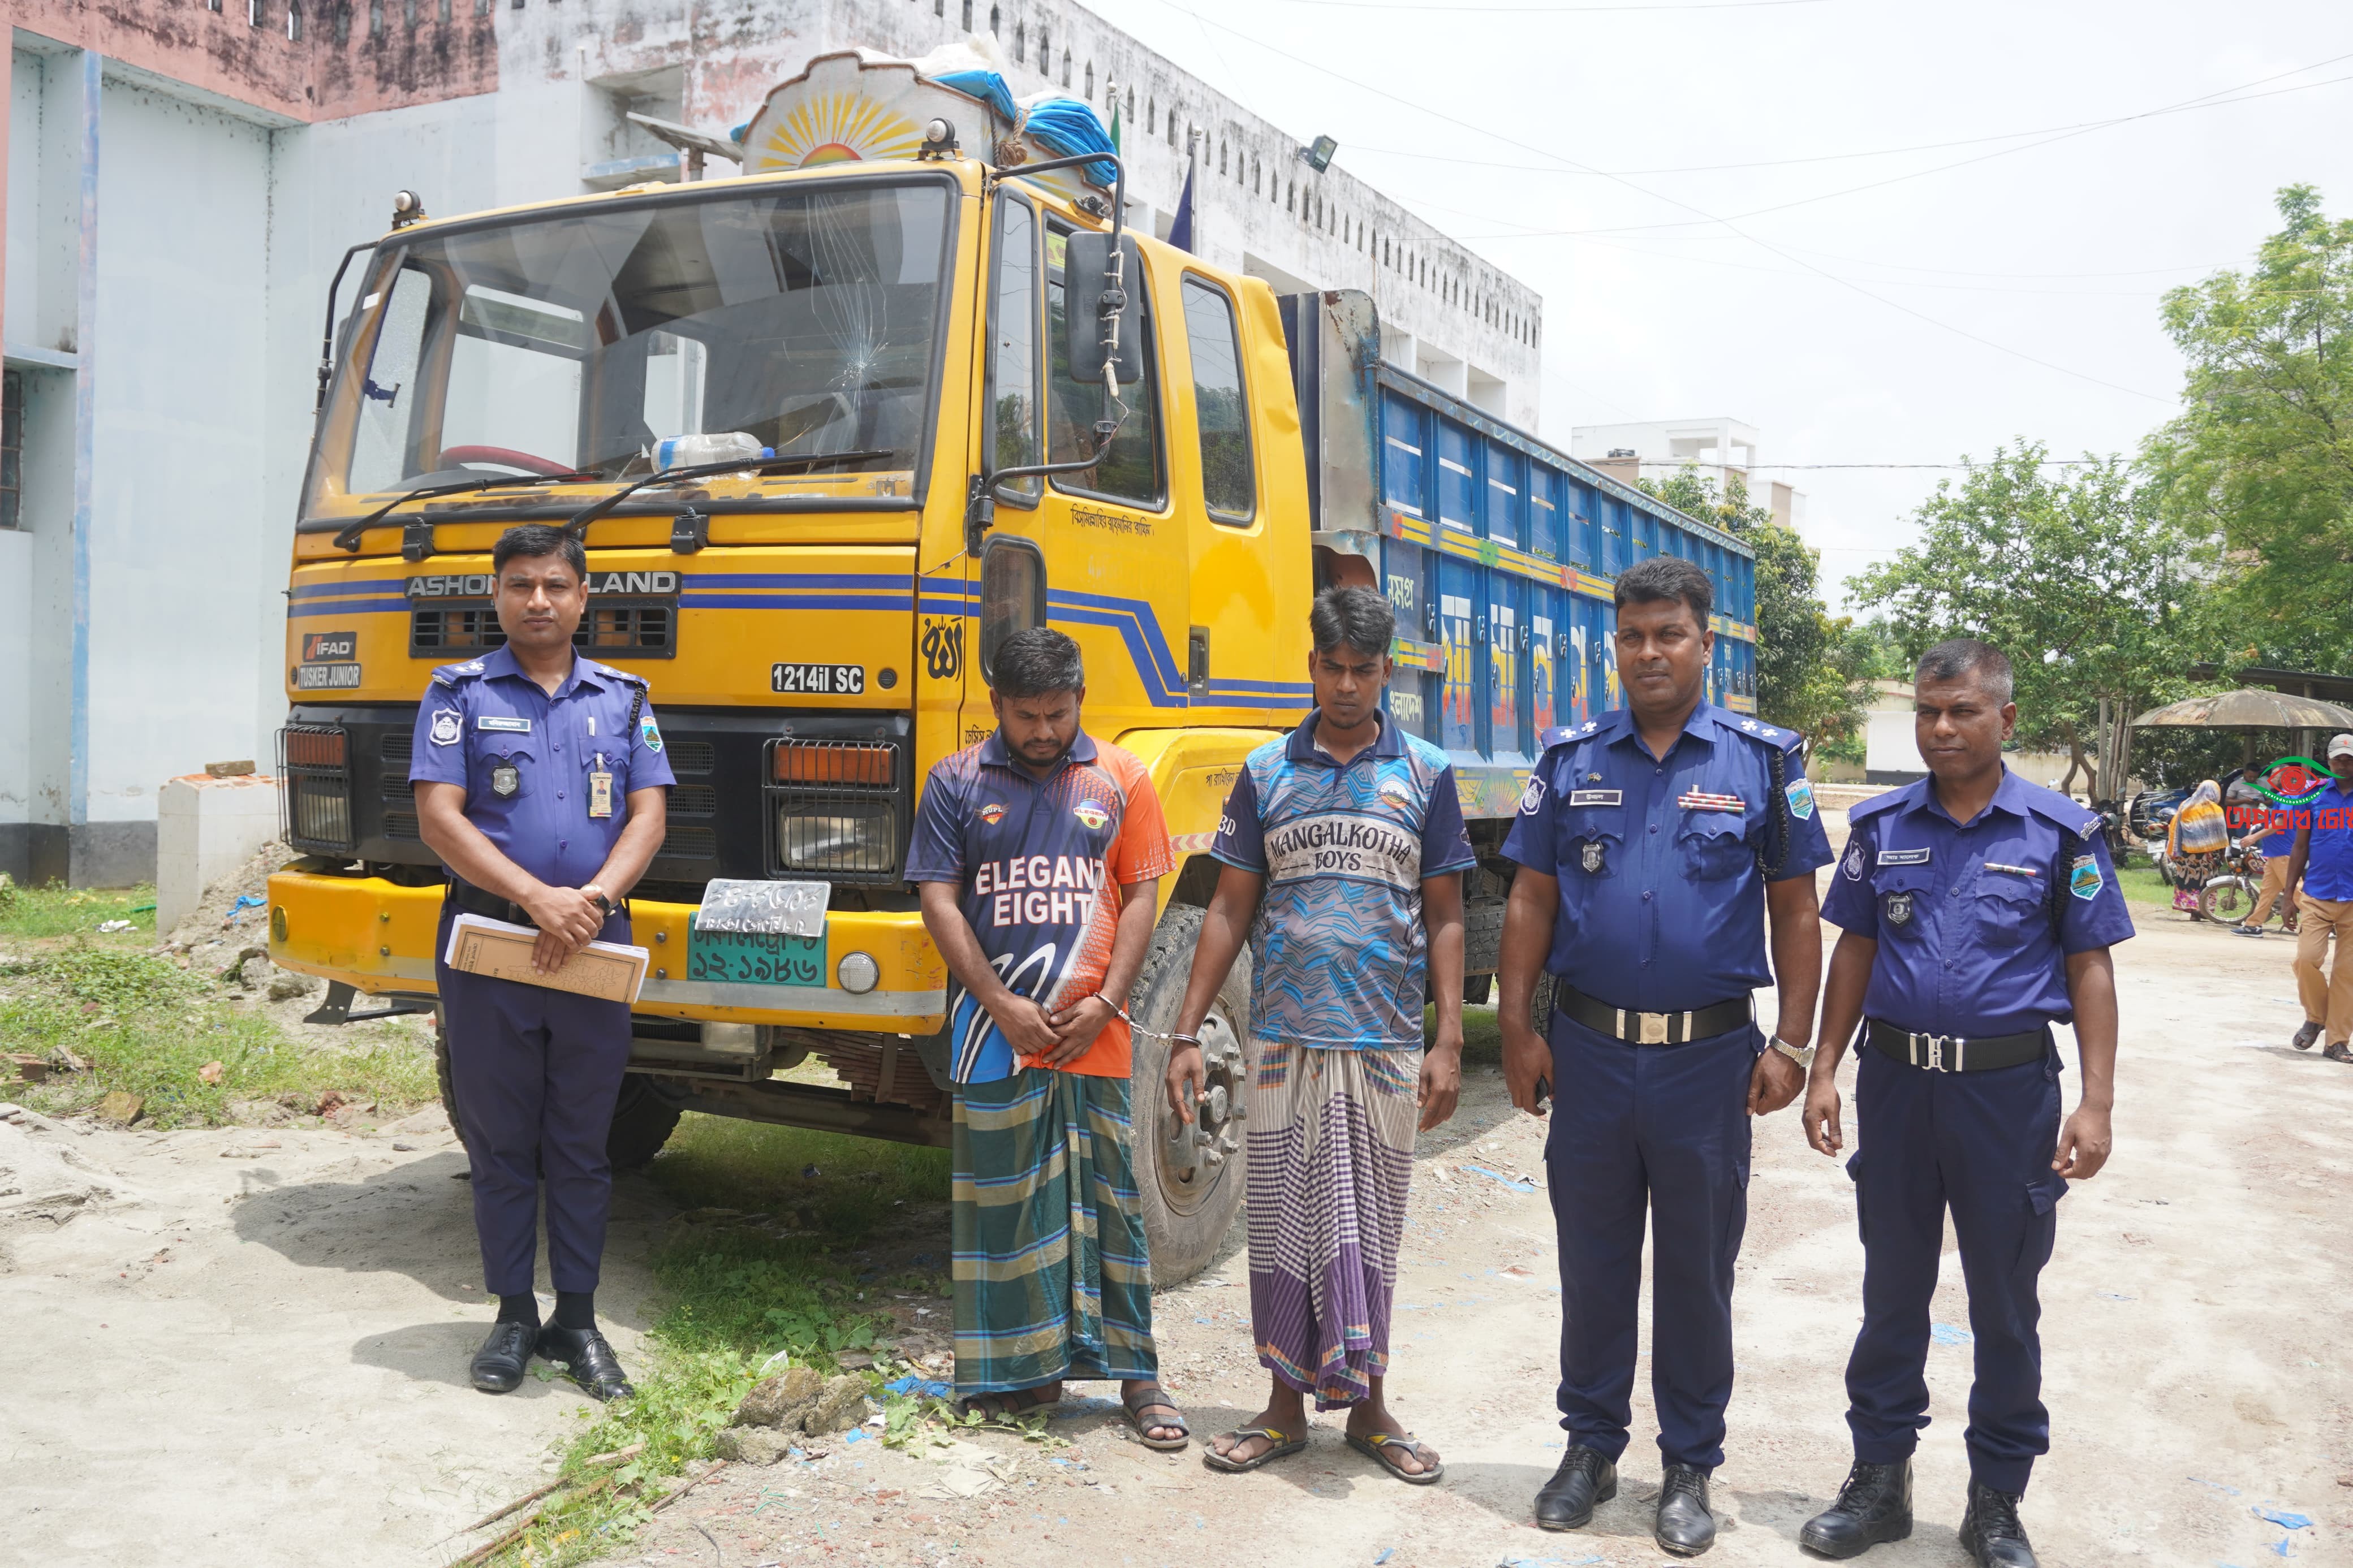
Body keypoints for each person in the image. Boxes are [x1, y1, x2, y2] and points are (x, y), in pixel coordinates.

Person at [1496, 555, 1831, 1556]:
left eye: (1669, 634)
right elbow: (1530, 898)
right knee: (1593, 1262)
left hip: (1708, 1062)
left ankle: (1689, 1463)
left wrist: (1794, 1044)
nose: (1650, 652)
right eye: (1633, 636)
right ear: (1617, 646)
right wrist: (1517, 1027)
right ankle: (1590, 1446)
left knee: (1697, 1271)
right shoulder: (1567, 759)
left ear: (1704, 643)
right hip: (1591, 1055)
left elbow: (1796, 908)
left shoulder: (1763, 762)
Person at [1796, 638, 2130, 1568]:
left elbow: (2089, 967)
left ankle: (1996, 1501)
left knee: (2005, 1304)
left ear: (2005, 720)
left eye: (1963, 711)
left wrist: (2095, 1101)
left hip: (2009, 1095)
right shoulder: (1882, 826)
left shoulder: (2060, 833)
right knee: (1891, 1291)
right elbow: (1853, 950)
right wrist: (1824, 1067)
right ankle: (1879, 1481)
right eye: (1929, 711)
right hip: (1898, 1086)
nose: (1942, 728)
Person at [1169, 586, 1473, 1485]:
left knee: (1368, 1229)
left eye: (1364, 670)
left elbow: (1447, 913)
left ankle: (1372, 1408)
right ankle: (1283, 1407)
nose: (1347, 686)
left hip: (1380, 1043)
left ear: (1388, 672)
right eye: (1333, 668)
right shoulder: (1265, 772)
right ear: (1311, 667)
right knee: (1283, 1230)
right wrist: (1187, 1028)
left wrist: (1448, 1038)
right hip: (1283, 1042)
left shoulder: (1424, 772)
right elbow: (1230, 906)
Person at [411, 522, 673, 1399]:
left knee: (583, 1139)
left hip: (594, 942)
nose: (538, 601)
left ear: (582, 597)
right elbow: (441, 817)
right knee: (501, 1136)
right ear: (496, 595)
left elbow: (647, 817)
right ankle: (514, 1315)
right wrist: (538, 898)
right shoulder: (456, 693)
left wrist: (591, 901)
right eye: (520, 585)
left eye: (555, 586)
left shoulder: (626, 697)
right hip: (493, 945)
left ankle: (581, 1321)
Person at [906, 629, 1187, 1447]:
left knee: (1114, 1205)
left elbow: (1142, 891)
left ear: (1080, 701)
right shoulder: (955, 781)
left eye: (1057, 714)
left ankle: (1140, 1378)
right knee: (1005, 1204)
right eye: (1025, 715)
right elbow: (937, 899)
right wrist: (997, 1003)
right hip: (990, 1034)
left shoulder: (1123, 777)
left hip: (1093, 1031)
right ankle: (1020, 1376)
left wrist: (1108, 999)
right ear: (995, 703)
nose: (1041, 731)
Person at [2282, 733, 2353, 1062]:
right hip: (2317, 894)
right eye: (2339, 758)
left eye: (2349, 759)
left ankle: (2337, 1042)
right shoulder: (2314, 797)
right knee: (2306, 959)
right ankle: (2316, 1016)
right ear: (2329, 760)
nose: (2344, 763)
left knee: (2348, 974)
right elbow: (2299, 847)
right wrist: (2286, 896)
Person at [2236, 760, 2316, 938]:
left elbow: (2281, 823)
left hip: (2284, 853)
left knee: (2296, 891)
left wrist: (2253, 837)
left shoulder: (2289, 795)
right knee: (2267, 892)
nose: (2273, 778)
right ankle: (2253, 926)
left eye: (2277, 775)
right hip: (2275, 853)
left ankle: (2322, 922)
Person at [2163, 779, 2228, 914]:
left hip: (2186, 854)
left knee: (2189, 882)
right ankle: (2205, 911)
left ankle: (2193, 911)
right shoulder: (2215, 810)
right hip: (2207, 856)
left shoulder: (2186, 805)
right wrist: (2222, 854)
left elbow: (2175, 828)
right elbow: (2220, 835)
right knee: (2207, 883)